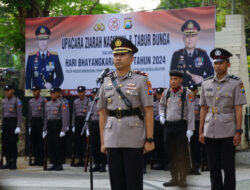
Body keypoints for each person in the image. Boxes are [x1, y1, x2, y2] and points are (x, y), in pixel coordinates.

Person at [98, 37, 154, 190]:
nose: (118, 58)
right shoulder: (106, 80)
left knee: (133, 182)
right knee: (116, 183)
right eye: (116, 55)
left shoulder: (141, 80)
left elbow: (148, 110)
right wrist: (103, 141)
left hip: (133, 136)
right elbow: (102, 112)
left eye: (122, 54)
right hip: (112, 137)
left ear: (131, 58)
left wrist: (149, 139)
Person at [199, 48, 247, 190]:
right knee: (213, 167)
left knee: (228, 167)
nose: (218, 66)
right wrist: (201, 130)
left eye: (221, 63)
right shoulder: (206, 83)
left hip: (228, 130)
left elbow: (238, 108)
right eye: (216, 63)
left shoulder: (236, 83)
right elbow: (203, 108)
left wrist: (238, 131)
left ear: (228, 64)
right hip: (210, 131)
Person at [159, 70, 195, 187]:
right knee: (171, 153)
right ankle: (174, 178)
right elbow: (161, 105)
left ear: (181, 80)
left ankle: (183, 179)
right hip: (169, 126)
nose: (173, 81)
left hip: (181, 126)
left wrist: (190, 129)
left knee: (181, 154)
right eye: (171, 79)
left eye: (175, 79)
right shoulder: (166, 92)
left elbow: (190, 112)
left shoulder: (186, 93)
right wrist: (161, 115)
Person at [170, 19, 214, 87]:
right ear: (183, 38)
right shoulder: (176, 55)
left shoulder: (202, 54)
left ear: (197, 38)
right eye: (187, 36)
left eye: (193, 36)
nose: (190, 39)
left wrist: (202, 79)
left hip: (198, 92)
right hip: (182, 93)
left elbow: (212, 74)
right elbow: (172, 78)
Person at [26, 25, 64, 89]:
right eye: (40, 40)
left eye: (45, 39)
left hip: (50, 94)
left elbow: (60, 77)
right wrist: (29, 94)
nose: (42, 42)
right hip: (36, 94)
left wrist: (52, 84)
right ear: (37, 41)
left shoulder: (54, 57)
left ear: (48, 40)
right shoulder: (31, 57)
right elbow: (28, 78)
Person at [43, 87, 67, 171]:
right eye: (51, 93)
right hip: (50, 125)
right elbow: (46, 117)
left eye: (53, 93)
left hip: (57, 125)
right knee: (51, 146)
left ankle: (59, 164)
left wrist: (63, 130)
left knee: (58, 146)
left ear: (58, 93)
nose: (52, 94)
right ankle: (53, 163)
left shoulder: (62, 103)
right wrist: (44, 128)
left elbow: (64, 117)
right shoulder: (48, 103)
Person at [1, 84, 22, 170]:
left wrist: (18, 126)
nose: (6, 92)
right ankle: (8, 161)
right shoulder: (4, 101)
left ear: (12, 91)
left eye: (8, 90)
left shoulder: (17, 101)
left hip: (13, 123)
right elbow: (3, 115)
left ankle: (13, 162)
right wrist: (2, 126)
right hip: (6, 123)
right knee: (5, 144)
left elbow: (19, 115)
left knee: (12, 143)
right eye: (5, 91)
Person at [88, 88, 107, 172]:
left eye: (96, 93)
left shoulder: (104, 103)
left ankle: (103, 164)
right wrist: (88, 129)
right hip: (93, 124)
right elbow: (88, 115)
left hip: (102, 124)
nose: (95, 95)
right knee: (94, 145)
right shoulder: (90, 104)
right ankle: (96, 164)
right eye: (93, 93)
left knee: (101, 144)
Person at [28, 86, 47, 166]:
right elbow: (29, 114)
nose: (34, 92)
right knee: (34, 142)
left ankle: (41, 159)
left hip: (40, 121)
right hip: (33, 122)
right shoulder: (30, 101)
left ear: (39, 91)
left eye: (35, 91)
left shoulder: (43, 100)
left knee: (40, 142)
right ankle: (36, 159)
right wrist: (29, 126)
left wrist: (45, 126)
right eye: (33, 91)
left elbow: (46, 114)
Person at [71, 86, 89, 166]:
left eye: (82, 92)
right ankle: (80, 159)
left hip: (85, 122)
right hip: (77, 122)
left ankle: (85, 160)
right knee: (78, 142)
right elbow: (73, 114)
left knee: (84, 142)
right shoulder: (75, 102)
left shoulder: (88, 101)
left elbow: (89, 114)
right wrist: (73, 125)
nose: (80, 94)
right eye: (79, 92)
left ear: (85, 92)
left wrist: (88, 127)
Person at [151, 87, 166, 170]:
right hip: (156, 125)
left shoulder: (167, 103)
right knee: (158, 144)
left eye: (161, 94)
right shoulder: (153, 104)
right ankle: (160, 162)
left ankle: (167, 163)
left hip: (165, 125)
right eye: (158, 94)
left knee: (165, 144)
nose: (159, 96)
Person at [188, 84, 201, 175]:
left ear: (196, 91)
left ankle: (196, 166)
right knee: (188, 148)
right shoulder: (186, 100)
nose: (192, 92)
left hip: (196, 124)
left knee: (196, 147)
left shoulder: (200, 101)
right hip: (188, 125)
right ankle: (189, 167)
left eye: (193, 90)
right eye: (190, 90)